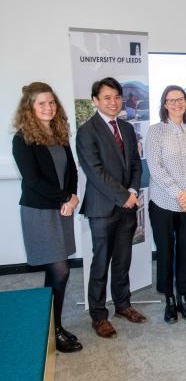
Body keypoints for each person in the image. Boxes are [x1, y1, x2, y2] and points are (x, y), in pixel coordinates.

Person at [12, 82, 83, 353]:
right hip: (40, 211)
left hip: (62, 208)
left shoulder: (58, 133)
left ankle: (51, 324)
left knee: (58, 272)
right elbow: (32, 180)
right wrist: (65, 199)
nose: (48, 107)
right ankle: (53, 329)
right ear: (30, 108)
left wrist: (73, 195)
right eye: (41, 103)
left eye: (51, 102)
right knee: (60, 270)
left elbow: (71, 172)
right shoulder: (22, 139)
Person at [76, 77, 145, 338]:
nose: (113, 102)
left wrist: (132, 191)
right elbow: (95, 172)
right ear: (95, 101)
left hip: (127, 205)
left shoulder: (126, 128)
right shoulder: (87, 131)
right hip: (103, 208)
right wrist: (122, 196)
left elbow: (137, 164)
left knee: (123, 260)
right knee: (101, 262)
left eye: (117, 97)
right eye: (107, 97)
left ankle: (123, 305)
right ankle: (98, 315)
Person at [146, 85, 186, 323]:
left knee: (184, 250)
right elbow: (155, 167)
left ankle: (183, 295)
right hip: (162, 202)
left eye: (180, 99)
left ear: (185, 103)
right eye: (171, 100)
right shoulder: (155, 132)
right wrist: (178, 194)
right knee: (166, 251)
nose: (176, 104)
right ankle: (169, 298)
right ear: (164, 105)